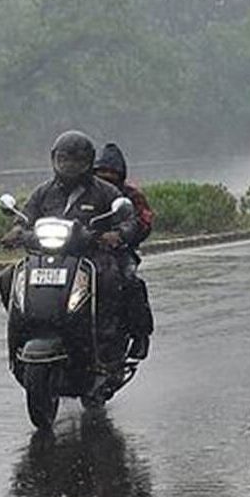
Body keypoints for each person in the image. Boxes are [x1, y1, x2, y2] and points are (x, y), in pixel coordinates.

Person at [0, 131, 143, 358]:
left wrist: (116, 234)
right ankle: (24, 327)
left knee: (113, 278)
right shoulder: (43, 192)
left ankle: (111, 333)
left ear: (88, 161)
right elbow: (25, 217)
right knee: (8, 277)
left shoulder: (105, 192)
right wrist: (16, 231)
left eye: (77, 160)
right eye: (64, 159)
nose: (69, 166)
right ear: (54, 159)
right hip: (47, 255)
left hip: (90, 254)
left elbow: (129, 220)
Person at [93, 143, 154, 360]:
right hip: (84, 250)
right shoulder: (84, 192)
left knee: (130, 282)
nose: (106, 176)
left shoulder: (131, 195)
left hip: (119, 252)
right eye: (101, 172)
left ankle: (140, 335)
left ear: (120, 174)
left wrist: (122, 235)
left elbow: (143, 221)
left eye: (111, 172)